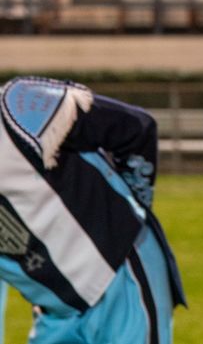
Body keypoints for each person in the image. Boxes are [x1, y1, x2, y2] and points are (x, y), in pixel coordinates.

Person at [0, 76, 185, 343]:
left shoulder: (17, 109)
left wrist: (125, 222)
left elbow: (135, 127)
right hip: (57, 309)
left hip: (121, 279)